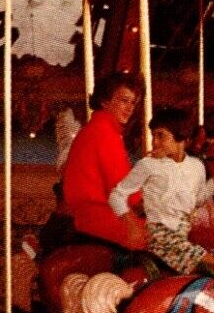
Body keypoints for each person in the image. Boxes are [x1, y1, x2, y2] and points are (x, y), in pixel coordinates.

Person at [105, 107, 214, 278]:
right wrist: (130, 223)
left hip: (182, 236)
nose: (154, 142)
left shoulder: (196, 166)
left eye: (161, 135)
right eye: (153, 135)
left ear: (181, 137)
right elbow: (116, 195)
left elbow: (196, 201)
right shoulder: (148, 165)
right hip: (160, 237)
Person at [57, 72, 147, 252]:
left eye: (133, 102)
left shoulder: (95, 129)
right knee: (169, 240)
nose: (129, 108)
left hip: (91, 216)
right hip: (101, 218)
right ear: (105, 101)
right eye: (123, 100)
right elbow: (120, 186)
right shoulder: (104, 133)